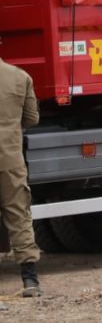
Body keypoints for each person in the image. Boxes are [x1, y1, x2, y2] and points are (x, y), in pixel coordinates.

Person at [0, 55, 41, 296]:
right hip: (10, 160)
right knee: (19, 216)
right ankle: (30, 280)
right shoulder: (20, 77)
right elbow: (32, 119)